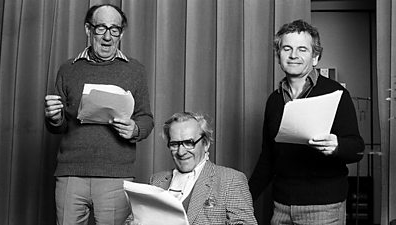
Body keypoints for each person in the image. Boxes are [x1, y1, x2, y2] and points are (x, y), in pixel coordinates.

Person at [44, 4, 154, 225]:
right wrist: (54, 118)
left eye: (114, 29)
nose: (107, 36)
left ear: (121, 33)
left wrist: (135, 128)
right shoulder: (68, 69)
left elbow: (146, 118)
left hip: (115, 175)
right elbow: (60, 125)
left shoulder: (135, 70)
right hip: (70, 174)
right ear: (88, 29)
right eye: (101, 28)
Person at [248, 20, 365, 224]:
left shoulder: (336, 93)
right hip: (281, 207)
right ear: (279, 55)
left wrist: (337, 147)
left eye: (302, 49)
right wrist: (244, 199)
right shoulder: (274, 101)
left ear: (315, 57)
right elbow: (267, 158)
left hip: (323, 209)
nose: (294, 55)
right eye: (287, 48)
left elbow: (357, 148)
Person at [150, 112, 257, 225]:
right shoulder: (156, 180)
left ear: (205, 144)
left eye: (189, 143)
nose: (181, 152)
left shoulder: (231, 180)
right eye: (174, 144)